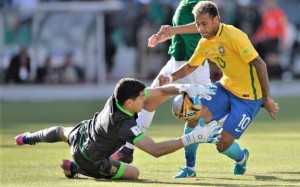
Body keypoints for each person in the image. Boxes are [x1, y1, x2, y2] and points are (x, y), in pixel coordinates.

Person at [157, 1, 279, 175]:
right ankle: (189, 168)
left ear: (216, 19)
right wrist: (170, 77)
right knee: (193, 114)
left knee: (222, 145)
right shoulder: (205, 43)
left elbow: (260, 65)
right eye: (198, 24)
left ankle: (241, 158)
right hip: (225, 88)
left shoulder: (234, 36)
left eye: (204, 24)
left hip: (248, 99)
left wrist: (266, 99)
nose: (200, 29)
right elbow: (190, 66)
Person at [15, 78, 220, 180]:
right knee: (134, 173)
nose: (145, 99)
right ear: (130, 103)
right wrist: (192, 138)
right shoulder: (125, 126)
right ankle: (77, 168)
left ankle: (27, 137)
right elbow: (155, 150)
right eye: (141, 98)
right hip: (91, 160)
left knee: (61, 132)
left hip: (82, 134)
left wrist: (182, 87)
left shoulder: (117, 97)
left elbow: (155, 92)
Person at [111, 0, 213, 178]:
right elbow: (182, 33)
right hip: (176, 62)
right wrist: (164, 36)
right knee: (147, 100)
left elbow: (203, 27)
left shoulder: (198, 3)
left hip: (193, 65)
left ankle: (238, 154)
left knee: (207, 118)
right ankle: (127, 150)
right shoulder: (184, 3)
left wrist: (173, 30)